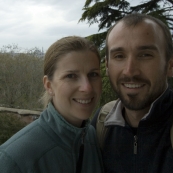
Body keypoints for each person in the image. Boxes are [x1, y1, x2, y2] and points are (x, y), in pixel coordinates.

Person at [0, 36, 104, 173]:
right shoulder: (14, 159)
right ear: (49, 85)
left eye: (93, 74)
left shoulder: (91, 136)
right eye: (71, 76)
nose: (87, 87)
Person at [92, 13, 173, 173]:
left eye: (145, 55)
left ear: (170, 65)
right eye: (119, 56)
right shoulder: (102, 123)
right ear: (107, 66)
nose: (130, 71)